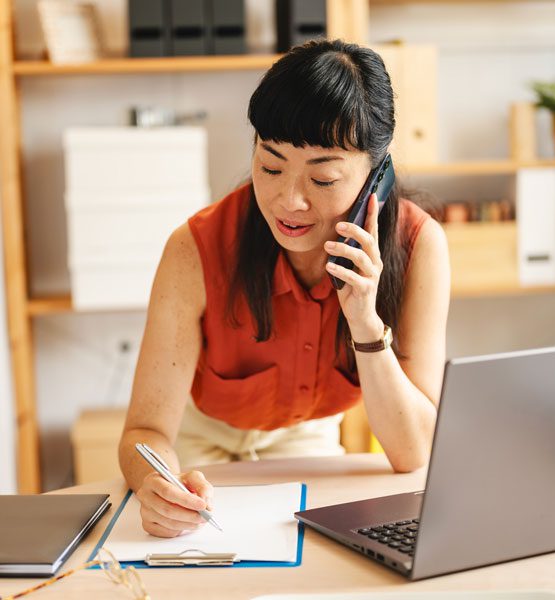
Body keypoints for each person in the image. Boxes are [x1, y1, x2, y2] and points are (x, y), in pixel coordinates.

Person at [119, 39, 450, 538]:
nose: (288, 201)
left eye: (324, 179)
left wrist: (364, 320)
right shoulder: (196, 247)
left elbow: (413, 453)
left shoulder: (418, 244)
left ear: (376, 174)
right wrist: (158, 485)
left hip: (307, 441)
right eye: (271, 167)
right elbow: (144, 434)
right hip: (201, 446)